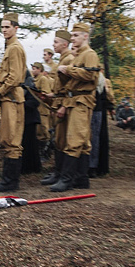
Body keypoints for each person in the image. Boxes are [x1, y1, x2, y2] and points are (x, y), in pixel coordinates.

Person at [50, 22, 99, 192]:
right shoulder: (78, 55)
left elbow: (90, 75)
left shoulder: (90, 54)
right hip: (75, 100)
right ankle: (81, 178)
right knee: (83, 142)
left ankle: (67, 179)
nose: (73, 39)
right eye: (72, 36)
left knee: (75, 139)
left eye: (76, 35)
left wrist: (68, 70)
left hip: (82, 101)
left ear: (85, 36)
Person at [0, 12, 27, 192]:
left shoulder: (15, 48)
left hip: (12, 98)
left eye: (7, 27)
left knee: (12, 140)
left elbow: (15, 77)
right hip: (9, 99)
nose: (4, 30)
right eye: (2, 27)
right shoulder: (10, 47)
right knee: (7, 138)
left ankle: (10, 182)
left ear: (16, 28)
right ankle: (8, 180)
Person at [40, 29, 75, 186]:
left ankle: (66, 176)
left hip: (65, 105)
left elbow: (72, 87)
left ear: (64, 44)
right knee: (59, 140)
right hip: (59, 101)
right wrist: (52, 95)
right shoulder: (64, 59)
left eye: (55, 42)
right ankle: (58, 172)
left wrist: (65, 106)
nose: (53, 45)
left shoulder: (69, 59)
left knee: (66, 141)